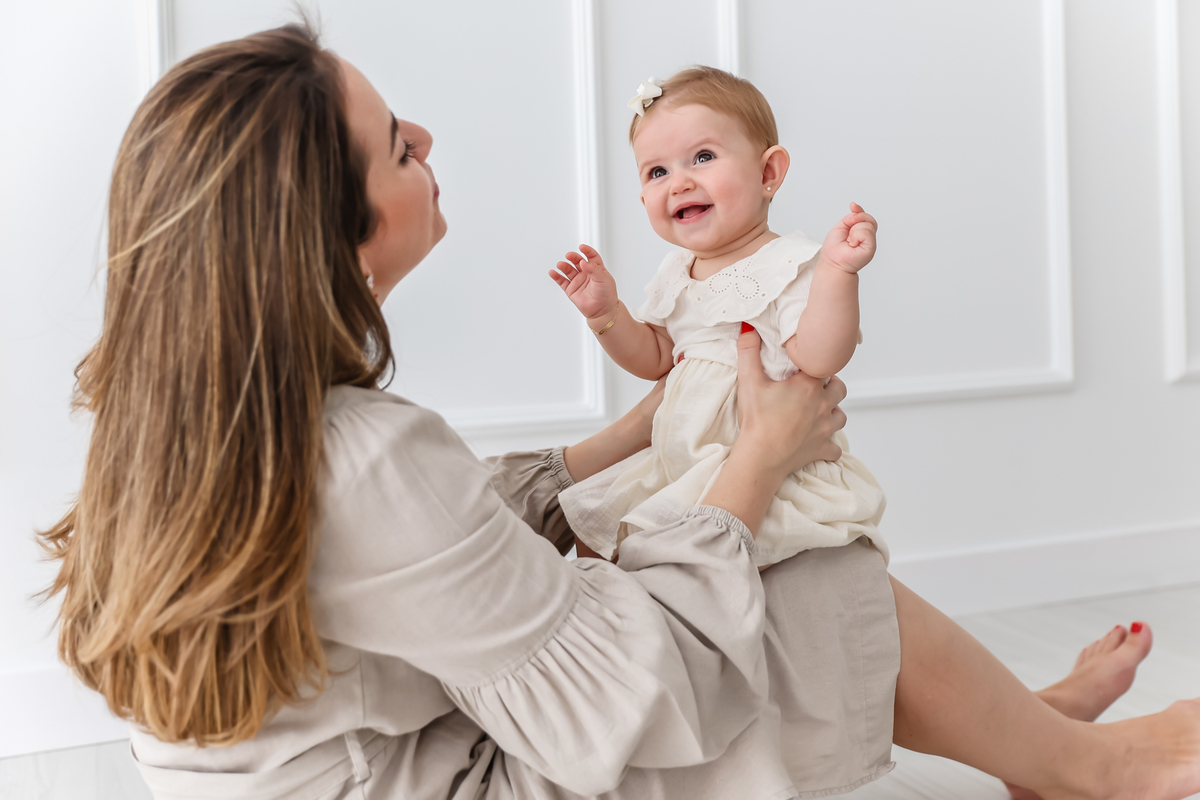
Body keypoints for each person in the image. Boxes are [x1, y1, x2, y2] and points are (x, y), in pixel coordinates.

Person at [37, 22, 1200, 800]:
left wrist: (642, 428)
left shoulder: (189, 418)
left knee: (670, 542)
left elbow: (442, 549)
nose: (426, 140)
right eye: (396, 146)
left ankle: (1022, 724)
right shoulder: (364, 453)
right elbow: (625, 697)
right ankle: (1086, 766)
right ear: (335, 236)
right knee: (802, 569)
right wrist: (757, 454)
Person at [549, 67, 886, 569]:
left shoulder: (788, 264)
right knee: (595, 528)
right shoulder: (676, 272)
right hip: (677, 463)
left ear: (768, 173)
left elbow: (820, 357)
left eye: (703, 157)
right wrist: (606, 316)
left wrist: (838, 273)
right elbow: (655, 358)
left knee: (729, 568)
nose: (679, 182)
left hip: (764, 469)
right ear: (643, 197)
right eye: (657, 172)